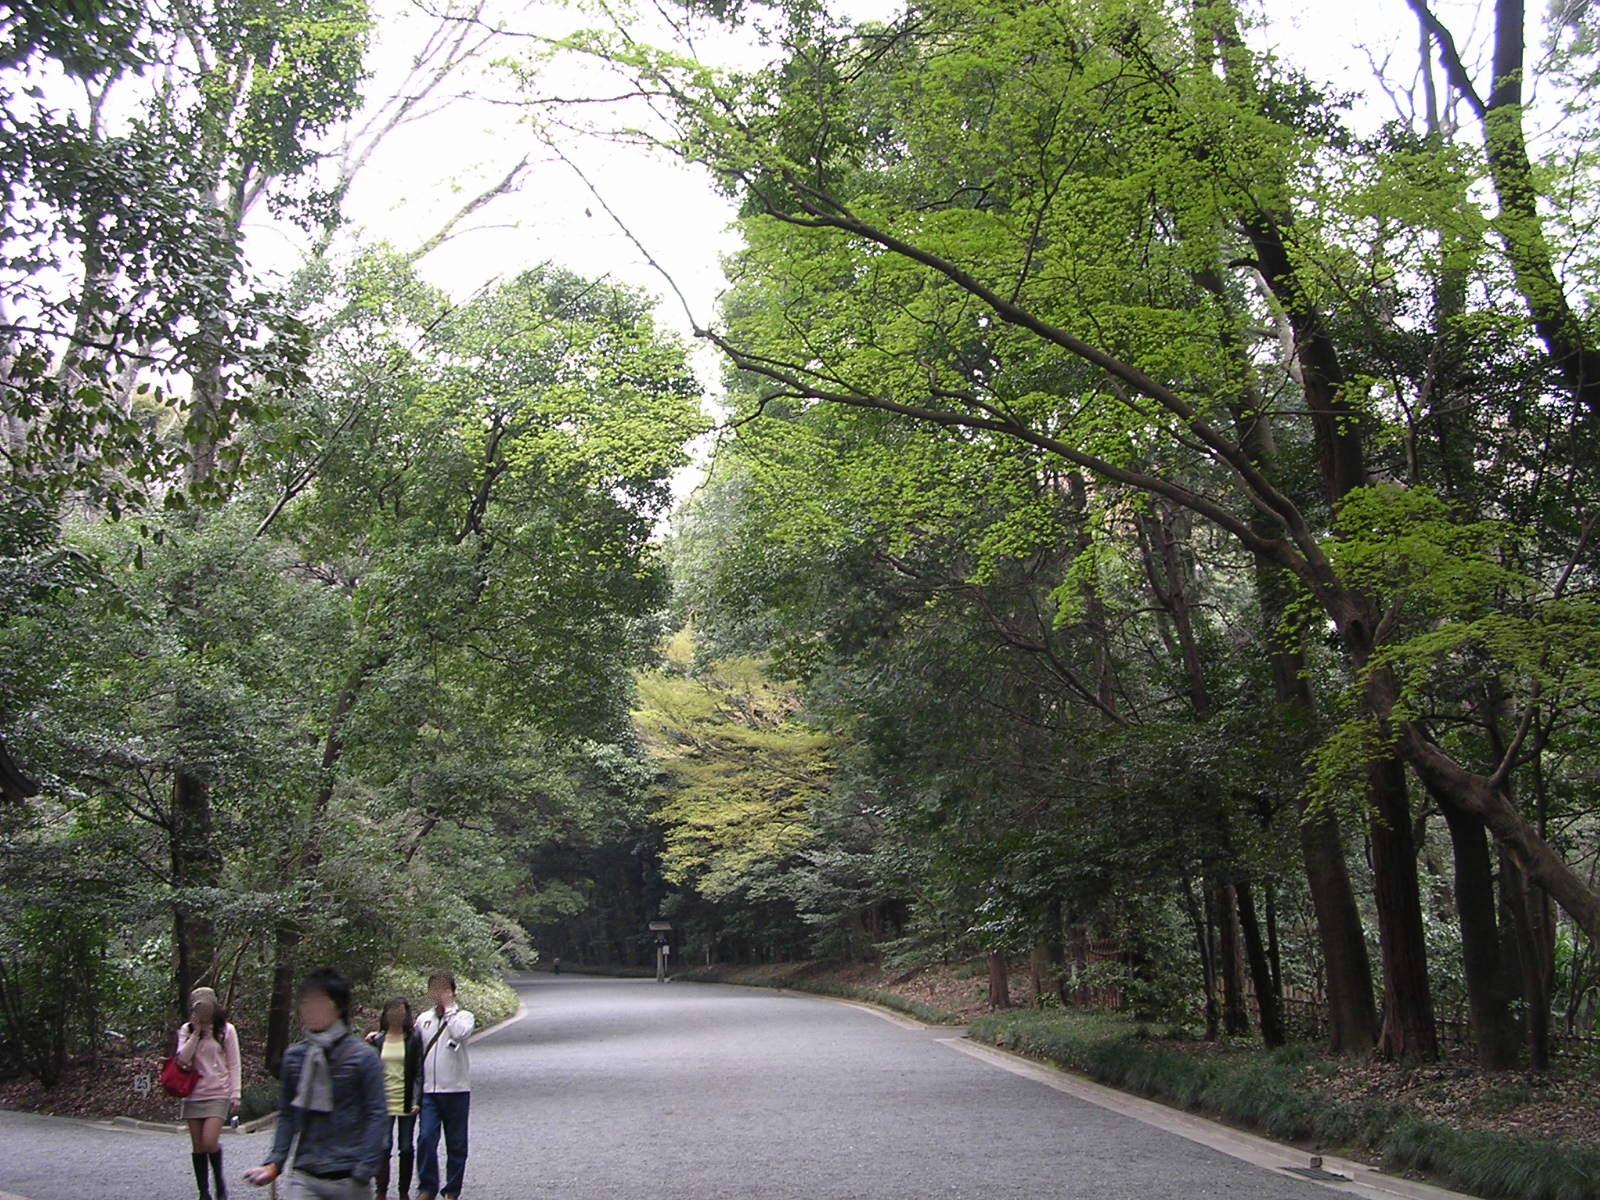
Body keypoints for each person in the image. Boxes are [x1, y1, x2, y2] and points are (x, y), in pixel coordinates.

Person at [244, 967, 386, 1198]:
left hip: (350, 1177)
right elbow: (287, 1114)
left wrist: (365, 1168)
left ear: (338, 1007)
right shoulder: (295, 1057)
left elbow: (377, 1114)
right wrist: (275, 1163)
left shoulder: (364, 1057)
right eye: (306, 1002)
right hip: (306, 1173)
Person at [413, 971, 475, 1200]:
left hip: (457, 1090)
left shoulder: (464, 1017)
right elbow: (410, 1045)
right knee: (426, 1138)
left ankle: (452, 1190)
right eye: (435, 989)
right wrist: (379, 1036)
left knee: (456, 1143)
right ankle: (428, 1187)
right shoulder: (423, 1020)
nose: (439, 993)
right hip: (429, 1091)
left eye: (444, 989)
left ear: (453, 991)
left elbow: (460, 1034)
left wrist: (449, 1010)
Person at [176, 986, 241, 1200]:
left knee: (209, 1141)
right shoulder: (186, 1030)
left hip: (218, 1092)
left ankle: (220, 1184)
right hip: (193, 1093)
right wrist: (195, 1033)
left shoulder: (226, 1030)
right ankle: (203, 1192)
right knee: (198, 1146)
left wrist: (235, 1093)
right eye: (199, 1008)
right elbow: (182, 1059)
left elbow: (234, 1063)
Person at [364, 998, 422, 1200]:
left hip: (406, 1098)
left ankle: (403, 1191)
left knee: (406, 1147)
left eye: (401, 1012)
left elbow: (418, 1072)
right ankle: (381, 1190)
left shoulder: (413, 1039)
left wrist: (416, 1100)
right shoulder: (377, 1040)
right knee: (383, 1146)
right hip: (383, 1100)